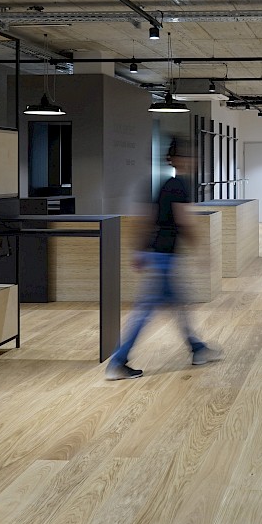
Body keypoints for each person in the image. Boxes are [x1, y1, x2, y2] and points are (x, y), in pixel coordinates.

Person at [105, 136, 220, 380]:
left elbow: (148, 218)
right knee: (146, 311)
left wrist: (139, 250)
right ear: (178, 159)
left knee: (178, 306)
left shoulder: (165, 184)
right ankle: (117, 362)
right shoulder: (178, 185)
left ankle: (197, 349)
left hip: (159, 255)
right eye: (190, 156)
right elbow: (184, 221)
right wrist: (202, 251)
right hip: (164, 259)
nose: (194, 161)